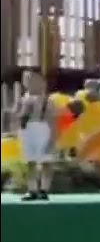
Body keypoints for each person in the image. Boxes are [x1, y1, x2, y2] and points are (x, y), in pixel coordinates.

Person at [14, 69, 58, 201]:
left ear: (42, 82)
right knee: (30, 161)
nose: (30, 82)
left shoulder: (47, 101)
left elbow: (53, 121)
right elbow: (15, 116)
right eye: (27, 79)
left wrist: (52, 139)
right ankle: (32, 189)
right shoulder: (22, 100)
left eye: (33, 79)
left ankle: (44, 189)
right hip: (26, 130)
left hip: (42, 129)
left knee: (45, 161)